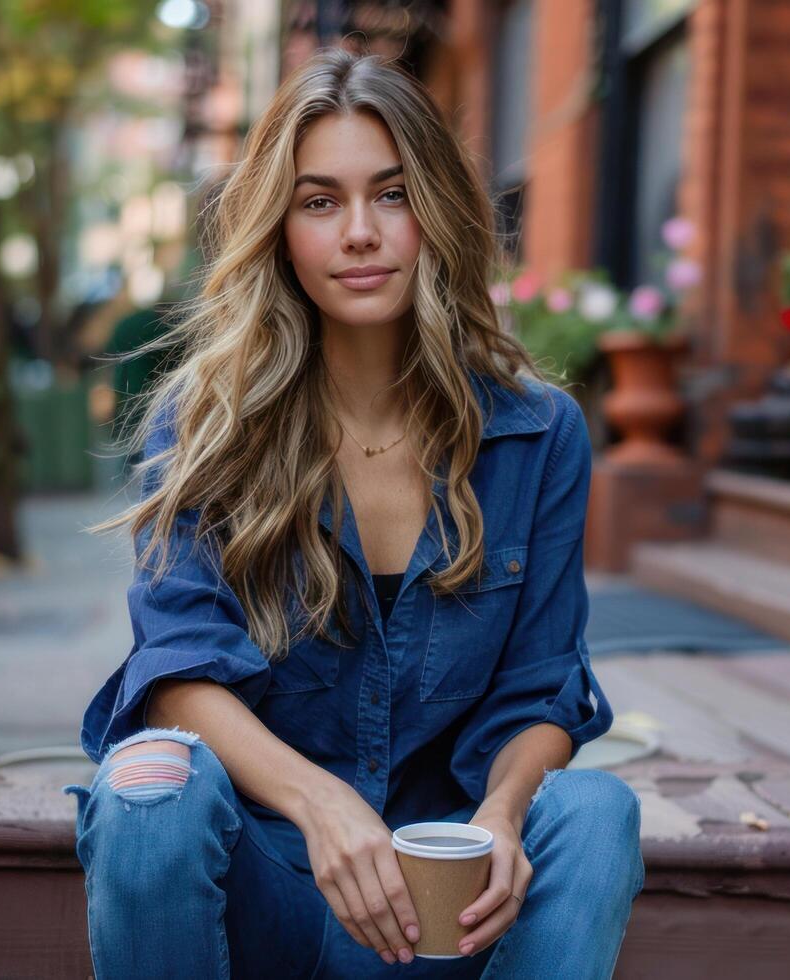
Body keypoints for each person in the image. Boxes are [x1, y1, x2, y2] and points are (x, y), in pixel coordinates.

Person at [65, 49, 643, 979]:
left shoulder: (539, 435)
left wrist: (499, 815)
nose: (361, 233)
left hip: (443, 899)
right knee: (152, 785)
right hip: (272, 872)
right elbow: (176, 668)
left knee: (597, 811)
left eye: (391, 193)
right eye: (319, 201)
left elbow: (542, 689)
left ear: (435, 214)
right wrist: (321, 804)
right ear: (279, 229)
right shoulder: (206, 424)